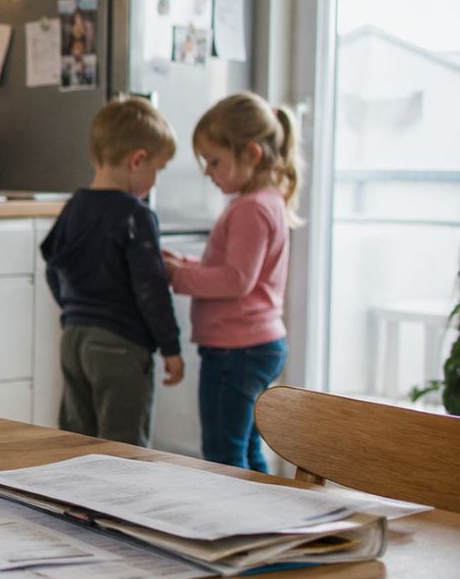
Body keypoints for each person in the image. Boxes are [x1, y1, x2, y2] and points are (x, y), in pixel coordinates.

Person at [164, 93, 303, 471]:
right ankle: (264, 521)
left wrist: (179, 276)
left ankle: (237, 525)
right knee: (246, 448)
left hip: (236, 350)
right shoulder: (265, 201)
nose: (208, 172)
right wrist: (188, 263)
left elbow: (236, 279)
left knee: (224, 453)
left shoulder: (251, 208)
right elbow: (235, 269)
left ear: (252, 154)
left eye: (214, 161)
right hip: (253, 345)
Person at [42, 97, 184, 447]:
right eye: (158, 170)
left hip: (74, 341)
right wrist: (171, 347)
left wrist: (75, 310)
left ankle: (70, 501)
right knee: (123, 449)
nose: (155, 180)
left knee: (76, 442)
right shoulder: (136, 215)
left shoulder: (75, 206)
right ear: (137, 160)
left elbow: (52, 264)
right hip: (120, 345)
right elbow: (150, 288)